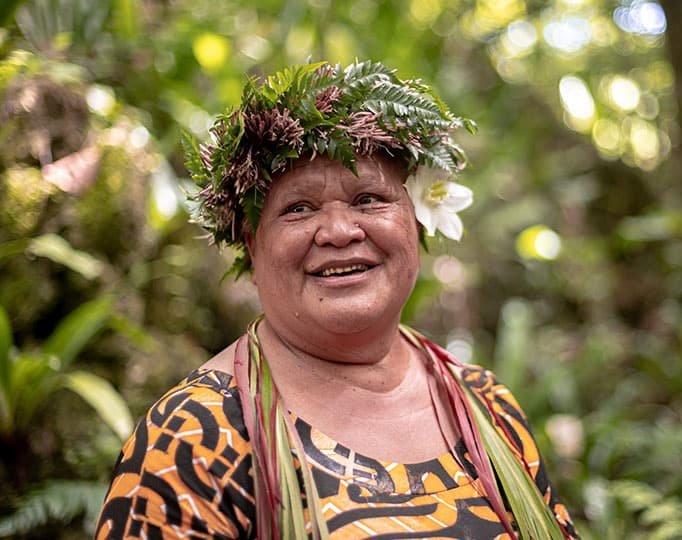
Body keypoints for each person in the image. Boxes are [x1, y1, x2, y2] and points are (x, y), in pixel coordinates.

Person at [95, 60, 580, 540]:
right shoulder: (192, 437)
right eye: (299, 208)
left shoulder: (486, 405)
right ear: (250, 245)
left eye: (368, 199)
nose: (339, 232)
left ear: (416, 221)